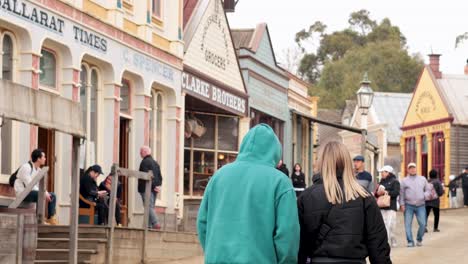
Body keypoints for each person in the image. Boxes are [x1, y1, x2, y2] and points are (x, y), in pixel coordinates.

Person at [197, 124, 300, 263]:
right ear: (275, 152)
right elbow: (287, 235)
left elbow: (203, 223)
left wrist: (213, 253)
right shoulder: (280, 182)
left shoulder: (218, 176)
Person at [298, 142, 391, 264]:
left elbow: (298, 243)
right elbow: (378, 245)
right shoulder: (364, 197)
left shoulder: (307, 197)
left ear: (321, 162)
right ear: (347, 162)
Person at [14, 149, 58, 225]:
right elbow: (30, 185)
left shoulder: (39, 170)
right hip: (22, 193)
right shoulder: (26, 167)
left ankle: (51, 218)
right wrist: (43, 193)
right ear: (38, 159)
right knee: (40, 195)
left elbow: (40, 186)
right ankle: (39, 219)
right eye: (44, 157)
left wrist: (47, 193)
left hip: (31, 192)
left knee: (52, 195)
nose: (45, 159)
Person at [399, 163, 431, 247]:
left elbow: (428, 190)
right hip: (408, 205)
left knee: (423, 224)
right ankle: (410, 241)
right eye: (410, 168)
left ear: (416, 169)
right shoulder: (404, 181)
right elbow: (401, 194)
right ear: (408, 170)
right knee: (407, 224)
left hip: (421, 205)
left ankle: (419, 239)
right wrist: (402, 204)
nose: (412, 169)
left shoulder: (422, 179)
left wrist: (424, 195)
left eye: (414, 168)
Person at [375, 165, 400, 248]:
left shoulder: (395, 181)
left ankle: (393, 239)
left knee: (391, 225)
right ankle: (386, 243)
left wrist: (386, 192)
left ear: (388, 172)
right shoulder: (380, 182)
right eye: (381, 172)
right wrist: (378, 193)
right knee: (384, 225)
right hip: (381, 206)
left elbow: (396, 193)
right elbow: (376, 193)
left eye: (383, 172)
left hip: (391, 207)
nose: (382, 173)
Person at [138, 146, 163, 230]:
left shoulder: (144, 162)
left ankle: (155, 223)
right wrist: (157, 186)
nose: (140, 153)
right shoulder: (155, 163)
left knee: (148, 206)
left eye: (141, 151)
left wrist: (153, 186)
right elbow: (160, 177)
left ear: (145, 152)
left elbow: (145, 176)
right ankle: (148, 226)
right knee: (150, 206)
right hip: (154, 189)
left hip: (146, 188)